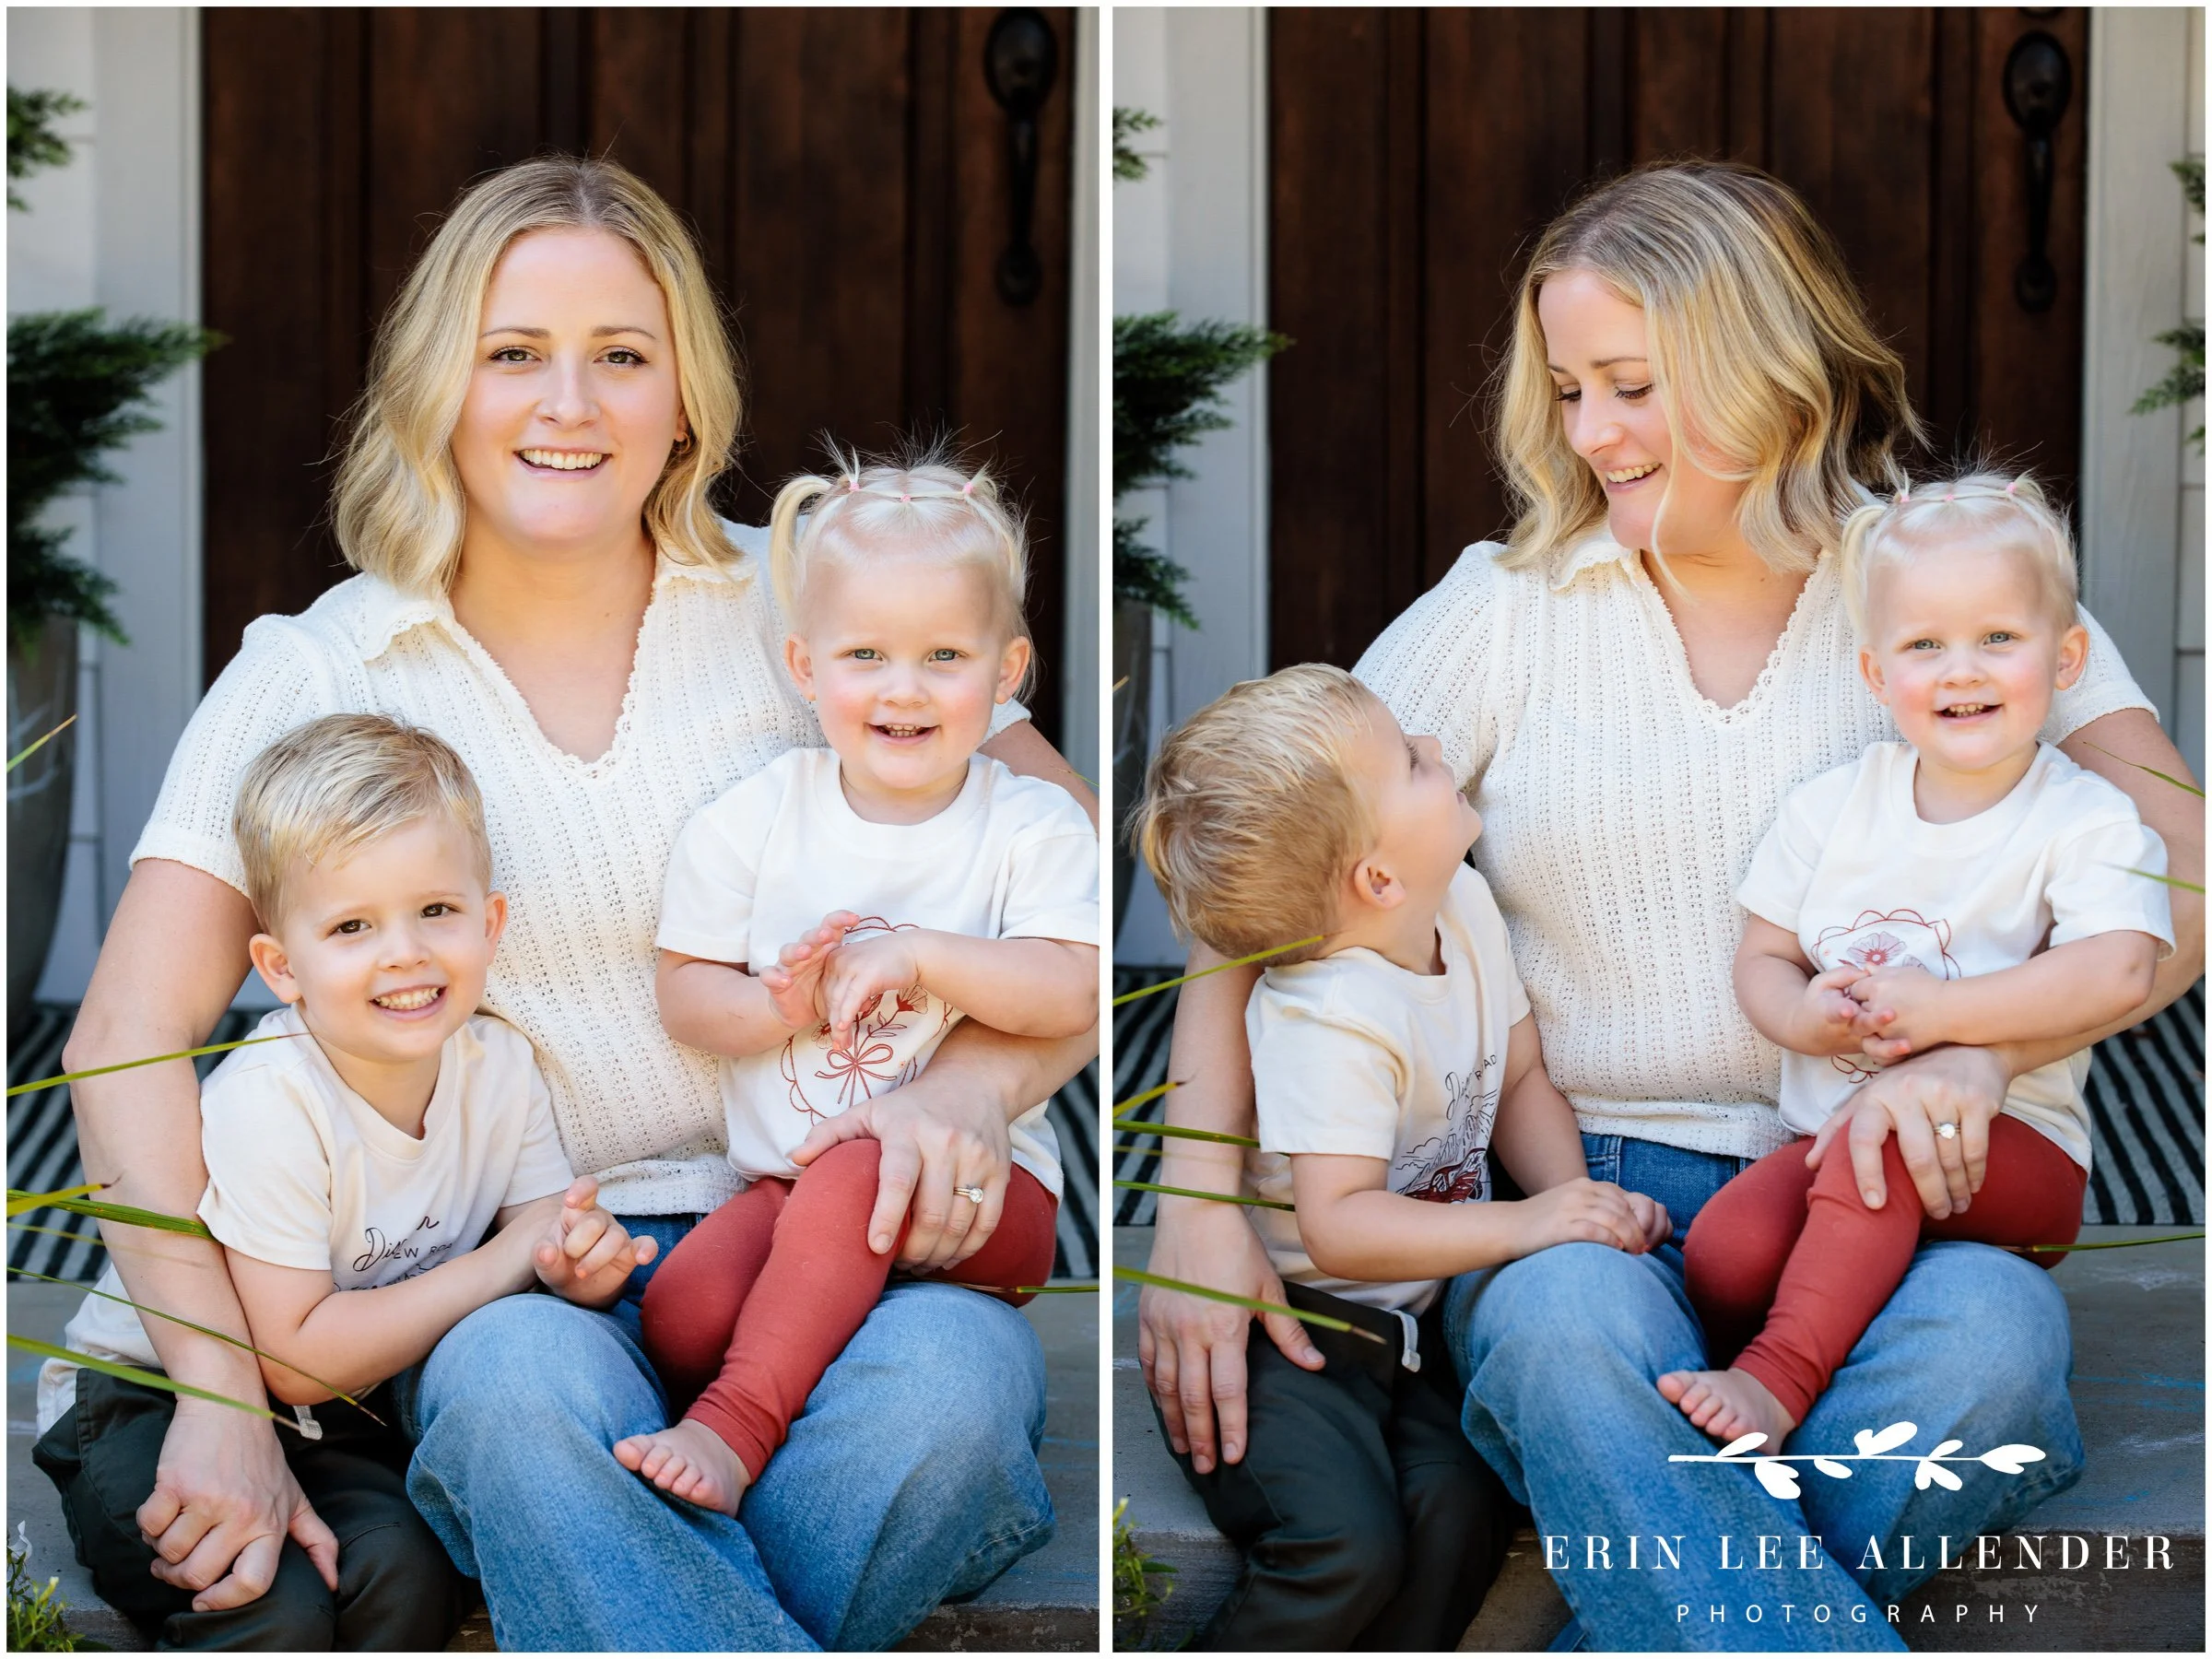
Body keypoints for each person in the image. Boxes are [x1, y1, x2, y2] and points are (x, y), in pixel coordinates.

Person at [1134, 160, 2203, 1651]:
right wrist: (1189, 1202)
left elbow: (2182, 866)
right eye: (1569, 391)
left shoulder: (1946, 582)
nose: (1592, 436)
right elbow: (1255, 879)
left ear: (1765, 368)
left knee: (1993, 1361)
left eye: (1630, 385)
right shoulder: (1510, 606)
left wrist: (1985, 1041)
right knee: (1568, 1358)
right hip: (1588, 1198)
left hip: (1898, 1188)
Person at [53, 156, 1095, 1652]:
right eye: (513, 355)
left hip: (856, 1236)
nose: (571, 404)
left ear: (686, 395)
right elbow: (128, 1038)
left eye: (621, 355)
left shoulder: (813, 603)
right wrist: (219, 1395)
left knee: (941, 1422)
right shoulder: (326, 666)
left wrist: (978, 1092)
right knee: (519, 1420)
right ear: (438, 389)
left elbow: (1050, 842)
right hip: (545, 1267)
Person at [36, 713, 655, 1647]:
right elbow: (294, 1356)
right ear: (283, 969)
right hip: (152, 1396)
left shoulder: (499, 1066)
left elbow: (543, 1221)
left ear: (489, 924)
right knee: (259, 1598)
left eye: (435, 911)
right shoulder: (270, 1099)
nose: (403, 951)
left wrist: (571, 1261)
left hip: (336, 1420)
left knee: (406, 1577)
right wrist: (510, 1261)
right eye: (353, 925)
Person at [1132, 662, 1670, 1649]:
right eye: (1413, 763)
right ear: (1376, 877)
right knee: (1346, 1547)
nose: (1435, 748)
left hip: (1399, 1340)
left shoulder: (1458, 908)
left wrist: (1579, 1206)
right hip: (1286, 1337)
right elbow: (1338, 1226)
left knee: (1461, 1518)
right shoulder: (1331, 1015)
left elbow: (1518, 1081)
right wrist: (1527, 1222)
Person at [615, 450, 1099, 1514]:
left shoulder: (1029, 826)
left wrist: (922, 954)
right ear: (803, 663)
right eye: (866, 653)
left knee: (862, 1168)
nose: (903, 688)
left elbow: (1074, 992)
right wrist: (775, 1005)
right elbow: (686, 994)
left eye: (943, 656)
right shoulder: (755, 819)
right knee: (685, 1311)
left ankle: (739, 1429)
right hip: (788, 1188)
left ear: (1008, 669)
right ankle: (821, 1341)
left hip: (987, 1194)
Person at [1662, 472, 2173, 1448]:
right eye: (1925, 645)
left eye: (1998, 639)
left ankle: (1780, 1380)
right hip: (1831, 1146)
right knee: (1726, 1252)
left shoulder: (2084, 819)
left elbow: (2118, 971)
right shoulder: (1835, 807)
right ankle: (1818, 1351)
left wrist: (1941, 1017)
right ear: (1874, 673)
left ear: (2066, 659)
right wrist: (1804, 1015)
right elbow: (1763, 956)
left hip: (2015, 1155)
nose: (1961, 671)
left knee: (1895, 1134)